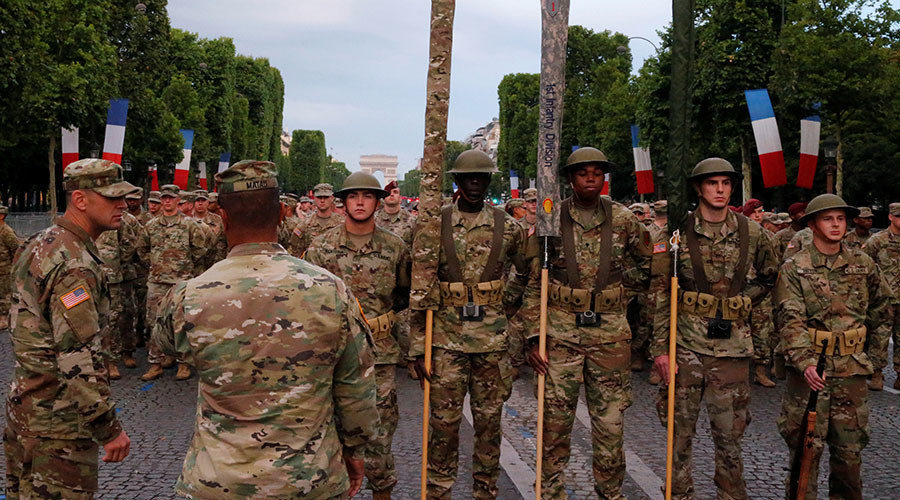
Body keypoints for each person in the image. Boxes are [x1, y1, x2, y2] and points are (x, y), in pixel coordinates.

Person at [152, 160, 379, 500]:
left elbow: (167, 347)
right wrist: (354, 450)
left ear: (224, 219)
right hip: (308, 479)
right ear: (282, 215)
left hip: (220, 480)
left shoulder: (189, 295)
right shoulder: (330, 290)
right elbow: (355, 387)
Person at [521, 147, 651, 499]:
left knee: (610, 424)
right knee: (555, 425)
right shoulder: (550, 220)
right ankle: (550, 492)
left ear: (604, 178)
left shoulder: (625, 220)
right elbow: (536, 282)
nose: (591, 178)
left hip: (609, 337)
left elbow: (646, 267)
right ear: (570, 179)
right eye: (583, 173)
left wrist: (620, 293)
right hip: (560, 334)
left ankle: (610, 492)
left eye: (597, 172)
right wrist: (534, 337)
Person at [5, 159, 133, 499]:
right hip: (58, 425)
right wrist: (108, 428)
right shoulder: (75, 264)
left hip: (26, 409)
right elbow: (78, 358)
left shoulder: (38, 242)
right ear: (80, 200)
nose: (123, 205)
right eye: (112, 198)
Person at [651, 158, 779, 500]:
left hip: (733, 349)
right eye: (712, 183)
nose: (720, 189)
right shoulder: (678, 232)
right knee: (678, 435)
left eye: (725, 183)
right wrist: (661, 351)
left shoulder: (752, 232)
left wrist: (744, 299)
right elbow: (662, 292)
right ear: (698, 188)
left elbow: (771, 275)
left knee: (730, 436)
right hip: (687, 345)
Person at [410, 149, 527, 499]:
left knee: (489, 424)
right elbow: (419, 286)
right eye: (468, 178)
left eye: (481, 177)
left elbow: (528, 271)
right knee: (443, 426)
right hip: (445, 341)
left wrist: (506, 306)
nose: (475, 183)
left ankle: (485, 490)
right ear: (457, 181)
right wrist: (418, 346)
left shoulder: (510, 227)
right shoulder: (433, 226)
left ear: (488, 180)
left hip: (492, 342)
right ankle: (439, 491)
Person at [775, 193, 893, 500]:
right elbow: (790, 318)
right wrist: (804, 362)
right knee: (805, 452)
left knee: (849, 454)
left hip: (851, 372)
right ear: (812, 225)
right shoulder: (795, 267)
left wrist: (876, 356)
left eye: (841, 218)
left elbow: (883, 307)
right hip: (811, 372)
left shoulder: (863, 263)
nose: (836, 224)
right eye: (828, 219)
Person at [306, 172, 411, 500]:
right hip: (332, 355)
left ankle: (382, 492)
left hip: (379, 354)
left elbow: (405, 296)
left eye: (368, 196)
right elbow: (308, 300)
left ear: (378, 202)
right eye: (354, 196)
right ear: (344, 201)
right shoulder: (321, 248)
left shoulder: (395, 248)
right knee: (329, 430)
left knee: (379, 434)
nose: (361, 202)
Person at [137, 184, 207, 381]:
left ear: (178, 201)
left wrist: (185, 266)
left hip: (181, 281)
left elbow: (200, 249)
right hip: (157, 281)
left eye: (171, 198)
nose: (167, 201)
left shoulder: (189, 225)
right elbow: (142, 250)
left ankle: (183, 363)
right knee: (154, 323)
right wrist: (155, 264)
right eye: (164, 198)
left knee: (182, 323)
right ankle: (155, 363)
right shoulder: (151, 226)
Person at [95, 209, 142, 379]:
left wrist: (116, 261)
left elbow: (131, 244)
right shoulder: (84, 220)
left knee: (114, 317)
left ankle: (113, 360)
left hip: (113, 276)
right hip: (86, 275)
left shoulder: (118, 220)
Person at [863, 202, 900, 391]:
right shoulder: (877, 240)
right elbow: (865, 266)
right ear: (891, 217)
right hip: (884, 299)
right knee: (880, 337)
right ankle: (877, 373)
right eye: (899, 216)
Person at [289, 183, 344, 257]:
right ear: (314, 198)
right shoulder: (305, 225)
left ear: (332, 198)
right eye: (319, 197)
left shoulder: (342, 224)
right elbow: (294, 252)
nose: (322, 200)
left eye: (326, 197)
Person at [193, 189, 227, 268]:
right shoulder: (188, 220)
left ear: (208, 202)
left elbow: (222, 242)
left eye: (203, 200)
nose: (200, 203)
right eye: (197, 201)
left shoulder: (216, 219)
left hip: (212, 263)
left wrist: (218, 263)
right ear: (193, 203)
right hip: (193, 265)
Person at [0, 205, 21, 330]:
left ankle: (4, 319)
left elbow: (17, 250)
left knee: (5, 295)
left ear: (2, 216)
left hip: (5, 270)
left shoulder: (6, 232)